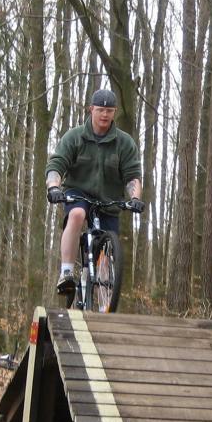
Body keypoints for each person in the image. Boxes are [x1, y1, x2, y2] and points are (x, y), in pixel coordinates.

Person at [45, 88, 144, 296]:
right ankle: (66, 273)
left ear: (114, 112)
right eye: (100, 110)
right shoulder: (75, 137)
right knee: (77, 214)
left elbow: (132, 176)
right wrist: (54, 187)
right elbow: (56, 165)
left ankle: (103, 303)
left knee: (106, 256)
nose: (105, 115)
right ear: (91, 110)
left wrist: (135, 198)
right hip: (78, 193)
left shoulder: (124, 143)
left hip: (108, 201)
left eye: (109, 111)